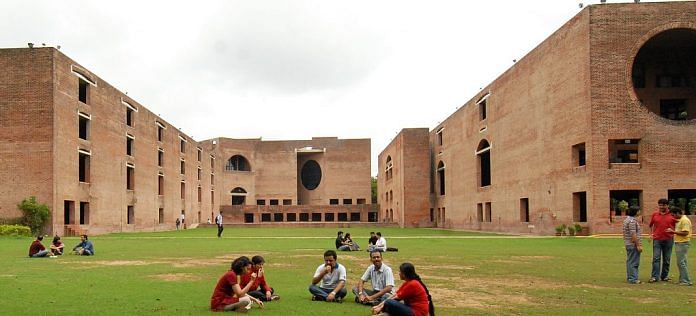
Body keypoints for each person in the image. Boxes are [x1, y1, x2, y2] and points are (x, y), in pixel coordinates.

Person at [648, 198, 676, 282]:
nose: (661, 207)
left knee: (667, 259)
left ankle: (664, 276)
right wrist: (650, 234)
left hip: (668, 239)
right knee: (656, 258)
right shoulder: (655, 214)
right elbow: (650, 225)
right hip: (657, 239)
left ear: (667, 205)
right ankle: (654, 277)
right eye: (660, 205)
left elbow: (678, 225)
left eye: (663, 205)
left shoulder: (672, 215)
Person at [667, 207, 692, 286]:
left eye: (673, 214)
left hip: (683, 242)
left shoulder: (685, 220)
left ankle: (685, 281)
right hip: (680, 242)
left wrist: (673, 231)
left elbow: (685, 232)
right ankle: (683, 279)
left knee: (681, 262)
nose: (673, 216)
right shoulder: (680, 220)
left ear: (678, 213)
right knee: (682, 262)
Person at [623, 205, 643, 284]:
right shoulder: (632, 221)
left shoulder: (627, 220)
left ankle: (631, 277)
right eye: (639, 210)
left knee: (630, 261)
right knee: (633, 262)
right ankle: (633, 278)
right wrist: (638, 245)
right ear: (636, 212)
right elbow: (633, 234)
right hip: (632, 244)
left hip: (629, 244)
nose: (640, 212)